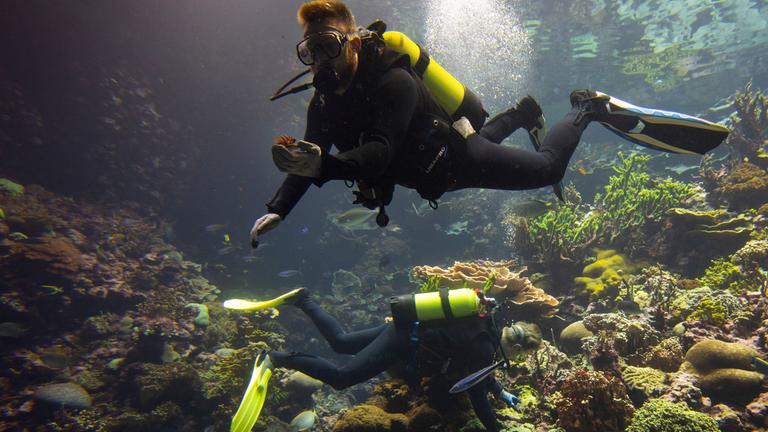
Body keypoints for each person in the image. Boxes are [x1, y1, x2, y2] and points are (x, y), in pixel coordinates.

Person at [250, 0, 729, 247]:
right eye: (309, 51)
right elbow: (308, 156)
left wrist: (324, 168)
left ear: (352, 42)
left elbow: (378, 152)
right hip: (433, 174)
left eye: (329, 46)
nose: (320, 62)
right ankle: (523, 113)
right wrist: (279, 206)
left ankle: (588, 107)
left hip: (456, 158)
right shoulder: (324, 102)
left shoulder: (394, 81)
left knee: (546, 170)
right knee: (480, 135)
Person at [225, 287, 543, 432]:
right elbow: (476, 391)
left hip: (405, 328)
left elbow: (481, 374)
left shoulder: (485, 323)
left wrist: (500, 391)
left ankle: (304, 299)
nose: (516, 359)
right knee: (341, 378)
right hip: (402, 342)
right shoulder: (485, 348)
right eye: (521, 355)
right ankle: (276, 358)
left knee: (340, 342)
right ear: (519, 348)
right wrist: (496, 428)